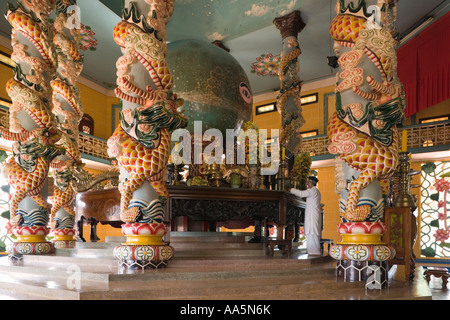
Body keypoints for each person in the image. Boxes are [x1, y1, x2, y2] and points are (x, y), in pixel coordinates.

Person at [289, 176, 322, 256]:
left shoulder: (312, 190)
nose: (307, 184)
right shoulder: (317, 191)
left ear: (311, 183)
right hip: (314, 215)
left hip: (312, 216)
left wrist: (291, 190)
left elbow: (301, 194)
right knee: (312, 233)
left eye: (308, 183)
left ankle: (313, 252)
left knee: (311, 233)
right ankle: (313, 251)